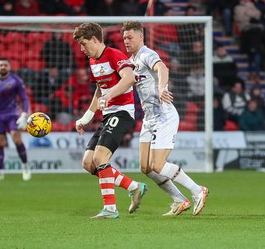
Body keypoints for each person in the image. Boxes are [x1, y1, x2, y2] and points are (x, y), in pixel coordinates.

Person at [121, 21, 208, 217]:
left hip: (164, 116)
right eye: (124, 38)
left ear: (140, 37)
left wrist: (161, 88)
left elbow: (163, 69)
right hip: (149, 119)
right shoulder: (131, 61)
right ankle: (179, 199)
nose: (126, 41)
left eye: (130, 37)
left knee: (158, 165)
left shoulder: (146, 54)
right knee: (146, 167)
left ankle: (197, 191)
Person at [72, 22, 147, 219]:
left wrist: (110, 95)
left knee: (100, 158)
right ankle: (134, 186)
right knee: (89, 163)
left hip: (122, 113)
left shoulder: (115, 55)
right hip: (108, 116)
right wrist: (86, 117)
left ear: (95, 40)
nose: (82, 49)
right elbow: (99, 89)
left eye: (84, 43)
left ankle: (111, 209)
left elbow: (129, 78)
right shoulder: (93, 61)